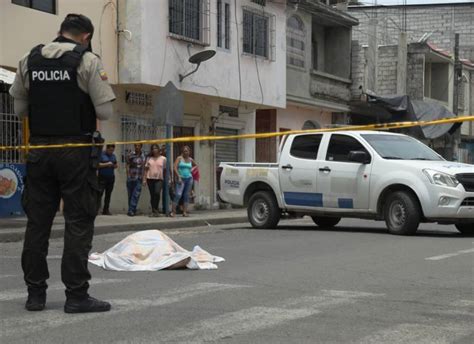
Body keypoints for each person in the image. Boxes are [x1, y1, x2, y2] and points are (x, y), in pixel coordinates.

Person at [9, 14, 115, 313]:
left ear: (59, 32)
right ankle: (76, 296)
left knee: (37, 224)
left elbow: (19, 110)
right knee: (78, 222)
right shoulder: (88, 60)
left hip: (40, 151)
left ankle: (35, 295)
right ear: (85, 37)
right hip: (76, 151)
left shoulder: (28, 59)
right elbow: (105, 113)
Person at [170, 146, 197, 217]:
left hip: (189, 179)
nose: (186, 152)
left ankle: (184, 212)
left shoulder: (190, 159)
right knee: (178, 194)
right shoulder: (179, 158)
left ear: (189, 152)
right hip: (181, 178)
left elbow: (196, 166)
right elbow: (175, 167)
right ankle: (173, 211)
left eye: (187, 151)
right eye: (184, 151)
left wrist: (192, 170)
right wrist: (178, 176)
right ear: (182, 152)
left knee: (186, 195)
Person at [143, 144, 166, 217]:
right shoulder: (149, 158)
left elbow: (166, 169)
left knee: (157, 193)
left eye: (156, 148)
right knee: (152, 195)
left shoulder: (163, 158)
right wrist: (144, 179)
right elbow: (146, 169)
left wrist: (168, 179)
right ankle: (154, 210)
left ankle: (156, 208)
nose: (154, 150)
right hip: (150, 178)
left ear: (158, 149)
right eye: (153, 149)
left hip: (159, 178)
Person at [126, 143, 145, 216]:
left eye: (138, 146)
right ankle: (131, 209)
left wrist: (143, 178)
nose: (137, 147)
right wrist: (127, 176)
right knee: (130, 195)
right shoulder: (131, 155)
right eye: (135, 146)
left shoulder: (143, 156)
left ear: (141, 147)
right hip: (131, 177)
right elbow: (127, 165)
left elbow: (144, 167)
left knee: (136, 195)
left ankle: (131, 210)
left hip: (139, 178)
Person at [98, 144, 117, 215]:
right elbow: (97, 165)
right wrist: (106, 164)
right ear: (107, 148)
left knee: (108, 194)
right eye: (110, 150)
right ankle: (96, 209)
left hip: (111, 178)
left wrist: (114, 165)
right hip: (102, 178)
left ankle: (106, 210)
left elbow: (116, 164)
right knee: (99, 193)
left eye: (112, 150)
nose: (111, 152)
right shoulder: (101, 154)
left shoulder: (113, 156)